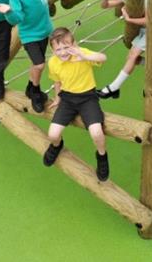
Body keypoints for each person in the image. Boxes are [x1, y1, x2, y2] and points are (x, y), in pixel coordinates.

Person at [42, 27, 110, 182]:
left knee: (96, 133)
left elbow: (103, 57)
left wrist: (83, 56)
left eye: (67, 47)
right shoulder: (53, 62)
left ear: (74, 44)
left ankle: (102, 156)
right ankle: (56, 146)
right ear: (52, 50)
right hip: (67, 99)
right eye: (58, 49)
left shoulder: (82, 53)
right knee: (52, 134)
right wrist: (58, 98)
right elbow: (57, 82)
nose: (63, 52)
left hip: (88, 98)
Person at [97, 0, 146, 99]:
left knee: (133, 56)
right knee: (133, 59)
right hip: (143, 31)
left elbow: (150, 20)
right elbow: (105, 6)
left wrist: (129, 19)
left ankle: (113, 87)